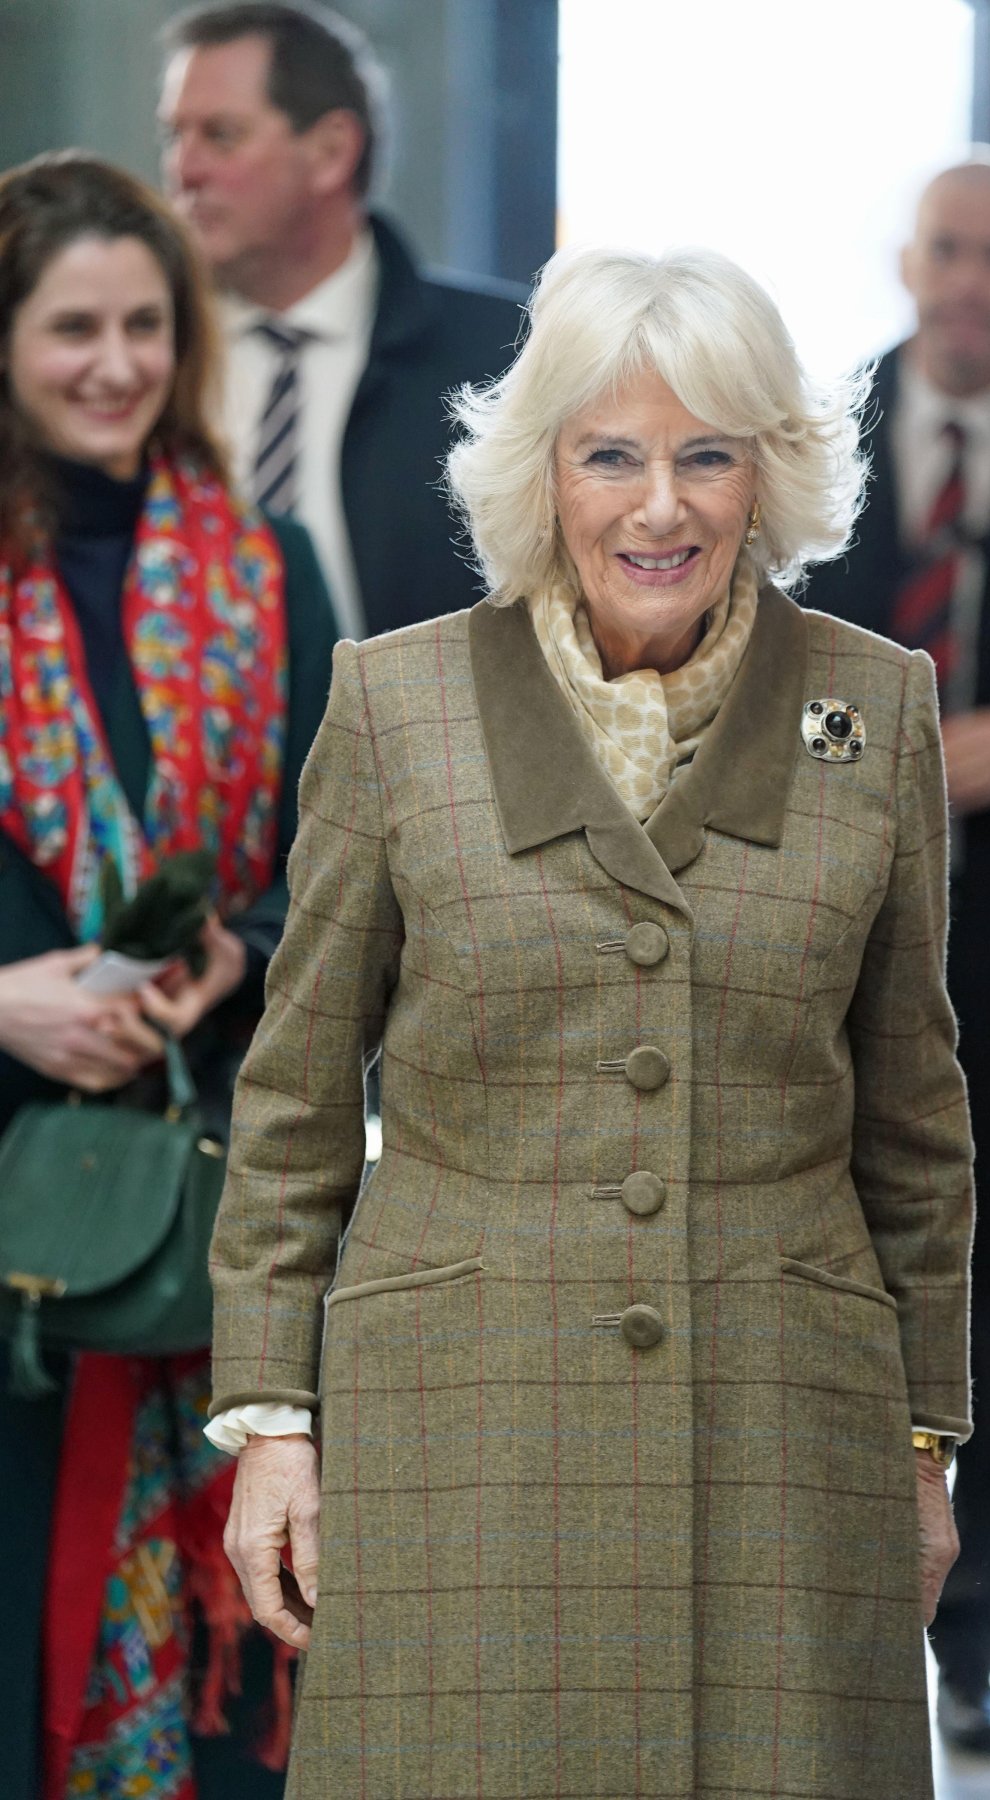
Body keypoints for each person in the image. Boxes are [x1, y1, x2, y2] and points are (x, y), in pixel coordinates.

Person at [203, 242, 975, 1798]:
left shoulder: (875, 710)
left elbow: (913, 1120)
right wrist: (274, 1424)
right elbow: (289, 1107)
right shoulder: (395, 704)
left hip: (783, 1437)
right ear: (540, 469)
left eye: (708, 456)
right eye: (609, 455)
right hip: (458, 1437)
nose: (660, 506)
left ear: (773, 473)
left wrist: (922, 1446)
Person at [0, 152, 338, 1800]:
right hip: (12, 1228)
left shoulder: (268, 573)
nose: (117, 363)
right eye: (73, 327)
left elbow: (339, 889)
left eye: (146, 323)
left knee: (231, 1721)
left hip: (217, 1222)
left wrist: (231, 959)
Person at [802, 154, 990, 1757]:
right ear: (910, 264)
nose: (971, 281)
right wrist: (887, 746)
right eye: (948, 252)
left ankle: (968, 1636)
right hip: (838, 928)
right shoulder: (823, 427)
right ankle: (830, 1618)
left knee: (985, 1293)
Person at [157, 0, 526, 639]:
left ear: (331, 151)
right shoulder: (142, 359)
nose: (183, 170)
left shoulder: (505, 356)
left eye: (220, 135)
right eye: (174, 135)